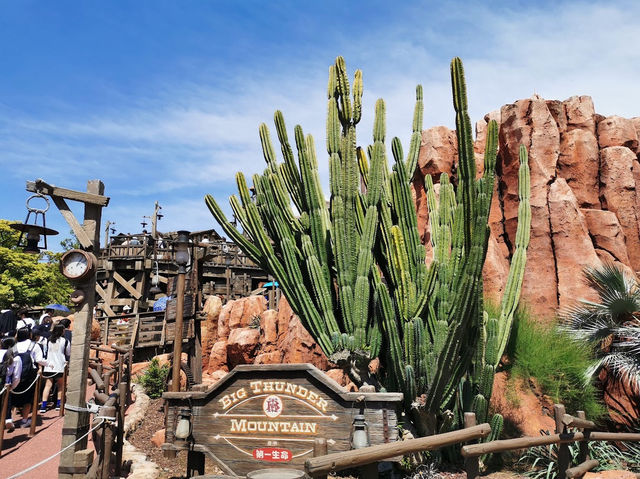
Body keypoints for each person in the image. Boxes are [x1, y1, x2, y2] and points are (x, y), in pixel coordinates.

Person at [14, 328, 48, 427]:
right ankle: (24, 420)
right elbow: (39, 359)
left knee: (12, 397)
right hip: (29, 374)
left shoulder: (14, 345)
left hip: (16, 373)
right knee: (28, 398)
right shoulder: (34, 345)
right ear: (29, 335)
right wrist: (48, 364)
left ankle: (9, 419)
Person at [40, 324, 70, 412]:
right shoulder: (65, 341)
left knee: (48, 385)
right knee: (60, 386)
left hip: (49, 366)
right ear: (61, 331)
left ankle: (43, 406)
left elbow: (45, 352)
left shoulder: (48, 340)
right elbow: (68, 353)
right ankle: (58, 404)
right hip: (60, 366)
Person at [0, 337, 22, 432]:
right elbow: (17, 376)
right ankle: (7, 419)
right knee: (5, 404)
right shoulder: (16, 357)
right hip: (6, 384)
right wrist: (12, 386)